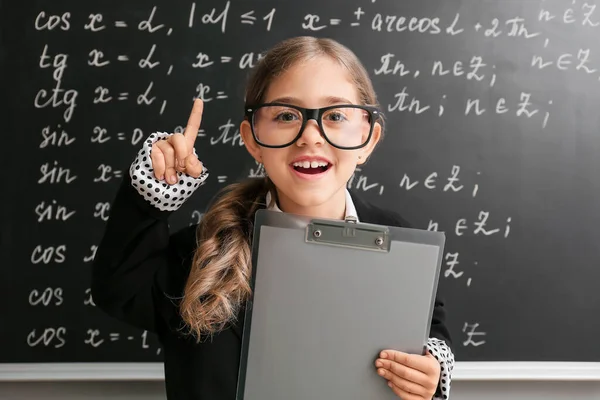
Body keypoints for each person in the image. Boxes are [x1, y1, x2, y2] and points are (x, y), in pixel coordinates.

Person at [92, 36, 454, 400]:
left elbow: (430, 331)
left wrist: (431, 371)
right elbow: (119, 289)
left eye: (335, 115)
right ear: (253, 140)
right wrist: (154, 190)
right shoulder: (201, 252)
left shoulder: (404, 244)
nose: (311, 137)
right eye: (286, 115)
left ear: (367, 138)